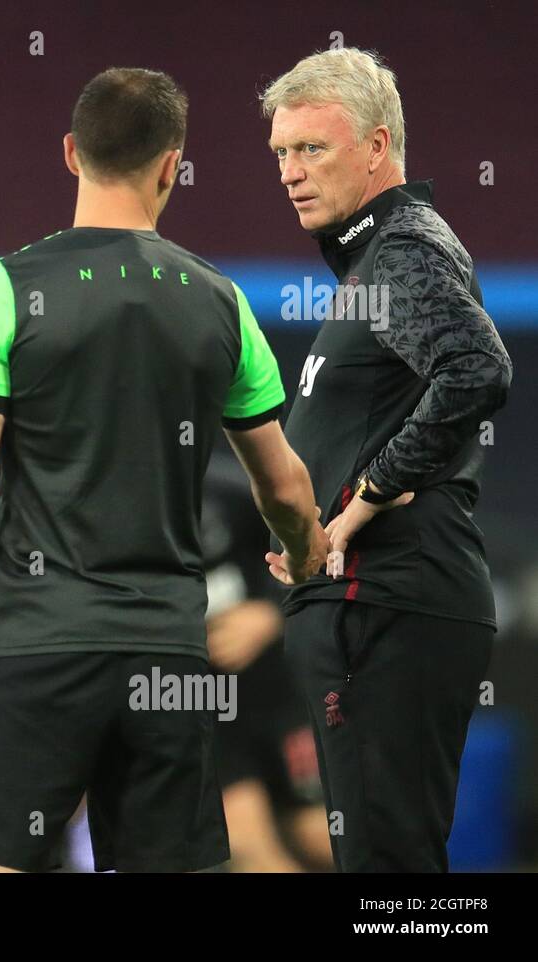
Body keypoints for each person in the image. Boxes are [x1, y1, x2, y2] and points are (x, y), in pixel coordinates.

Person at [0, 67, 328, 873]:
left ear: (70, 153)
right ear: (173, 164)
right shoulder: (219, 301)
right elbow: (284, 486)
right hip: (168, 660)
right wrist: (304, 563)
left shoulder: (6, 290)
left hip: (37, 651)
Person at [260, 48, 512, 871]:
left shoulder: (401, 245)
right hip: (375, 604)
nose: (291, 173)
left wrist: (364, 498)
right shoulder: (373, 262)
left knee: (390, 876)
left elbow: (477, 369)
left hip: (390, 599)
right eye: (282, 154)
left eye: (312, 149)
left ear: (377, 147)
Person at [202, 461, 330, 872]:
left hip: (272, 691)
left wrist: (271, 614)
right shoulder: (99, 504)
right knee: (244, 843)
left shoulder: (230, 491)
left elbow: (308, 558)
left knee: (318, 834)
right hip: (192, 703)